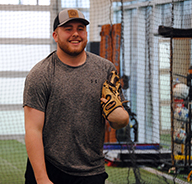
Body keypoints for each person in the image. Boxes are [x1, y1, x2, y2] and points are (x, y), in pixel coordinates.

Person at [23, 8, 129, 184]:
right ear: (55, 35)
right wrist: (41, 178)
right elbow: (33, 130)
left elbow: (116, 122)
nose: (75, 34)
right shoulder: (40, 74)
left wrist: (121, 117)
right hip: (51, 168)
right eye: (68, 29)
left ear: (86, 33)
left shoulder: (105, 69)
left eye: (80, 28)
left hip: (91, 170)